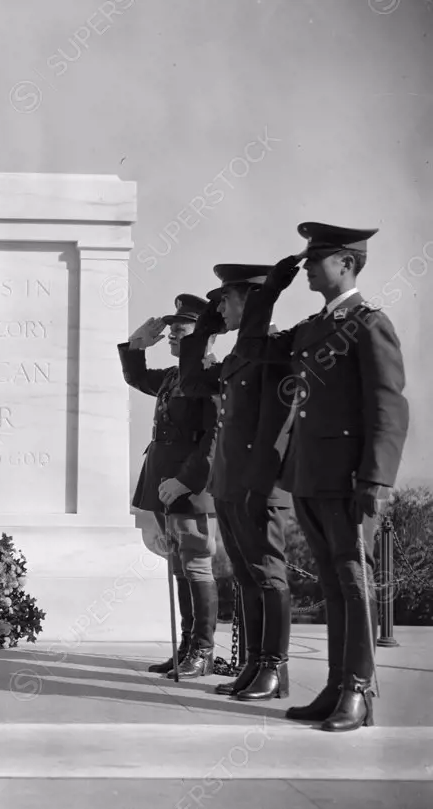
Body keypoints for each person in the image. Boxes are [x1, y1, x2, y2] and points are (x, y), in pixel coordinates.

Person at [233, 222, 409, 732]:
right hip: (308, 475)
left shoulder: (370, 323)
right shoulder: (313, 328)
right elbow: (250, 348)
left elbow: (388, 406)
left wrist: (377, 479)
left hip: (349, 479)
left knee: (354, 583)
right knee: (333, 585)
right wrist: (269, 292)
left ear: (347, 263)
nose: (306, 266)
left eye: (316, 259)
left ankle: (358, 691)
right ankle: (335, 687)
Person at [178, 264, 295, 701]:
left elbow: (279, 419)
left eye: (224, 300)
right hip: (229, 483)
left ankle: (274, 667)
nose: (218, 307)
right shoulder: (236, 358)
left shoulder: (274, 348)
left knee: (268, 575)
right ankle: (253, 663)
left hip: (260, 484)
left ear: (251, 299)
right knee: (247, 577)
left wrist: (260, 481)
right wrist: (203, 331)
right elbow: (190, 382)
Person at [118, 294, 220, 679]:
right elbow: (137, 377)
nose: (174, 333)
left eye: (182, 327)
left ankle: (204, 651)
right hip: (165, 483)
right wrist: (136, 345)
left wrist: (185, 482)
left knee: (195, 563)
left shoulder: (209, 374)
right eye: (173, 327)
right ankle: (188, 647)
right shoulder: (176, 376)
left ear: (205, 336)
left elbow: (213, 437)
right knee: (179, 565)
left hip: (188, 486)